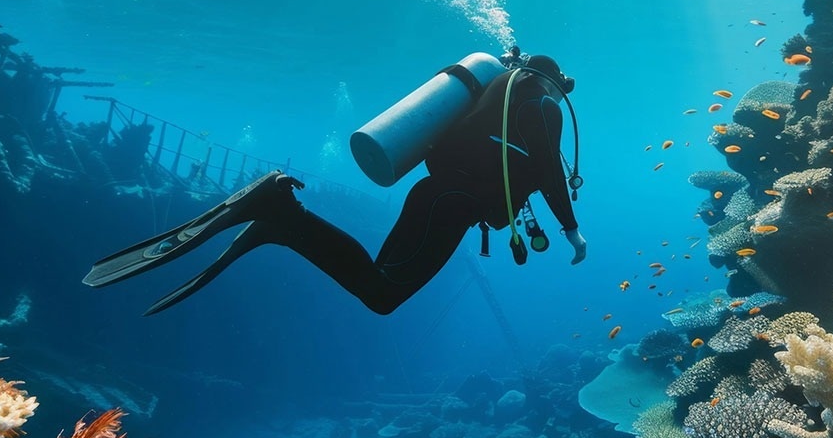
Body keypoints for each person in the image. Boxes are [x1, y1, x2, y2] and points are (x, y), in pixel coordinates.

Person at [84, 54, 586, 315]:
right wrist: (570, 230)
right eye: (560, 87)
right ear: (553, 82)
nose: (559, 94)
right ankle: (283, 214)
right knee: (383, 295)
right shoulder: (539, 103)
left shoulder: (496, 93)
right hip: (452, 205)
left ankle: (279, 224)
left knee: (379, 284)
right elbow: (544, 170)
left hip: (437, 196)